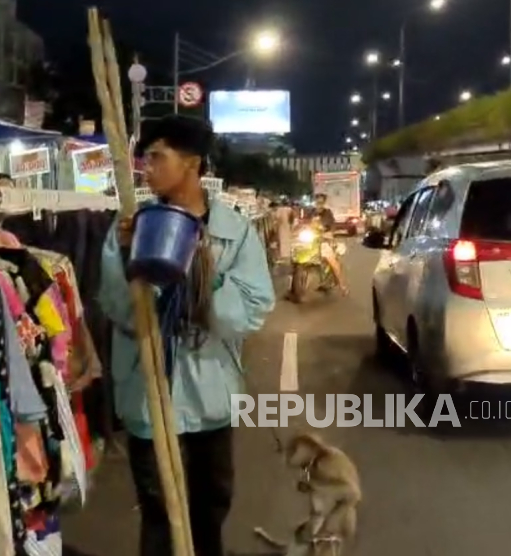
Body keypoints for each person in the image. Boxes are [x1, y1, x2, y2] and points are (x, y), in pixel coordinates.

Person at [98, 115, 275, 556]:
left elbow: (252, 310)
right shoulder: (128, 228)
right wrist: (129, 258)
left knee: (211, 506)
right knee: (159, 512)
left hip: (212, 398)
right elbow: (118, 309)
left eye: (157, 157)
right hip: (149, 395)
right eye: (144, 158)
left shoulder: (233, 232)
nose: (146, 168)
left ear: (192, 163)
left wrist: (203, 277)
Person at [311, 193, 349, 296]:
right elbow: (304, 223)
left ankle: (342, 286)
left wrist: (329, 233)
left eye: (321, 202)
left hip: (324, 241)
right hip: (311, 242)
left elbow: (332, 225)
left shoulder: (327, 213)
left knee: (333, 262)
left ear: (324, 203)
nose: (319, 204)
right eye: (317, 201)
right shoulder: (310, 212)